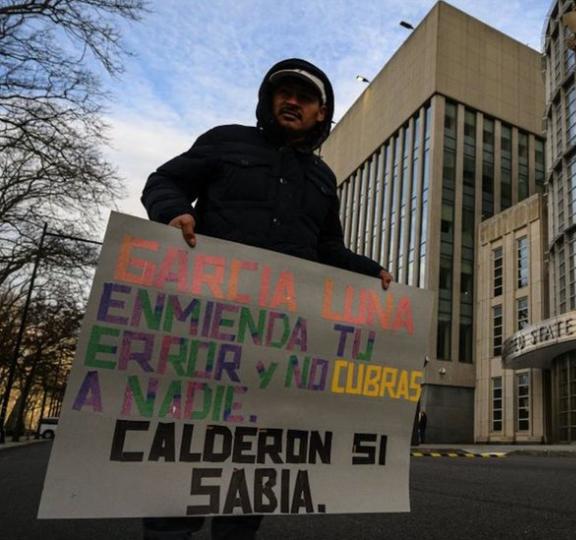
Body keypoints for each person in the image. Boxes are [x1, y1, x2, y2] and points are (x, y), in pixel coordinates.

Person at [141, 58, 392, 539]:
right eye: (284, 92)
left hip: (272, 344)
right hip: (206, 328)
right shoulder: (225, 140)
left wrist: (371, 272)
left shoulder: (323, 180)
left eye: (305, 96)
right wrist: (173, 213)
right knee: (183, 457)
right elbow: (164, 181)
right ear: (268, 99)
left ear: (322, 113)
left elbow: (327, 250)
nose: (292, 101)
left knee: (250, 468)